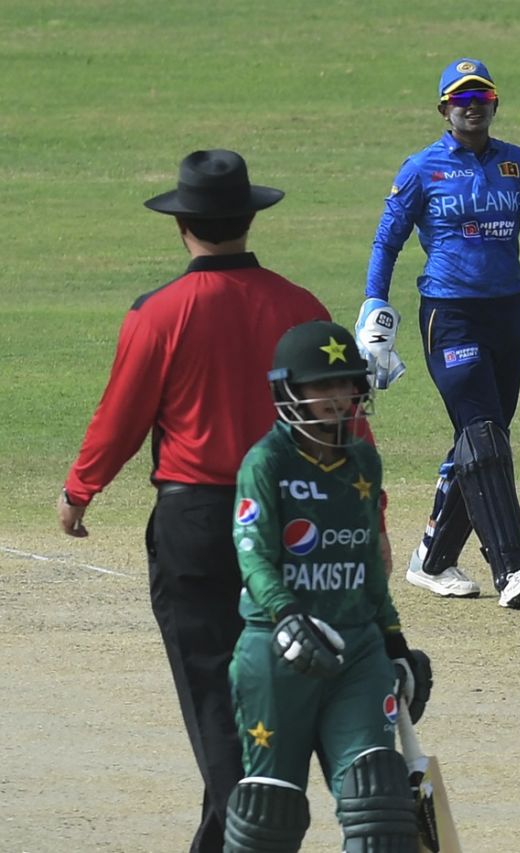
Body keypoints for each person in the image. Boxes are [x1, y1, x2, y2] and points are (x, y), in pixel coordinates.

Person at [57, 150, 333, 852]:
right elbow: (343, 425)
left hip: (199, 521)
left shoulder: (159, 313)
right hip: (292, 517)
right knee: (281, 683)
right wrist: (371, 515)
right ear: (249, 218)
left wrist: (79, 491)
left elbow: (121, 417)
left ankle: (256, 831)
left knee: (214, 690)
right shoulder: (303, 307)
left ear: (183, 227)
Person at [364, 57, 520, 609]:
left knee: (482, 438)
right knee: (483, 430)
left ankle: (434, 558)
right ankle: (513, 568)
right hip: (450, 313)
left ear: (494, 105)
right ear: (444, 109)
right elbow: (386, 241)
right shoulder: (422, 168)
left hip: (506, 314)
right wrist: (375, 306)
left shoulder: (515, 163)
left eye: (481, 97)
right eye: (461, 98)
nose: (472, 106)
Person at [223, 320, 431, 852]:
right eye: (323, 386)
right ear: (289, 391)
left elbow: (365, 564)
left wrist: (393, 642)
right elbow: (254, 558)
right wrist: (288, 615)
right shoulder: (267, 463)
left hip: (356, 652)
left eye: (347, 385)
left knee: (379, 804)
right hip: (277, 651)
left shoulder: (363, 460)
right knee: (271, 813)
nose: (339, 399)